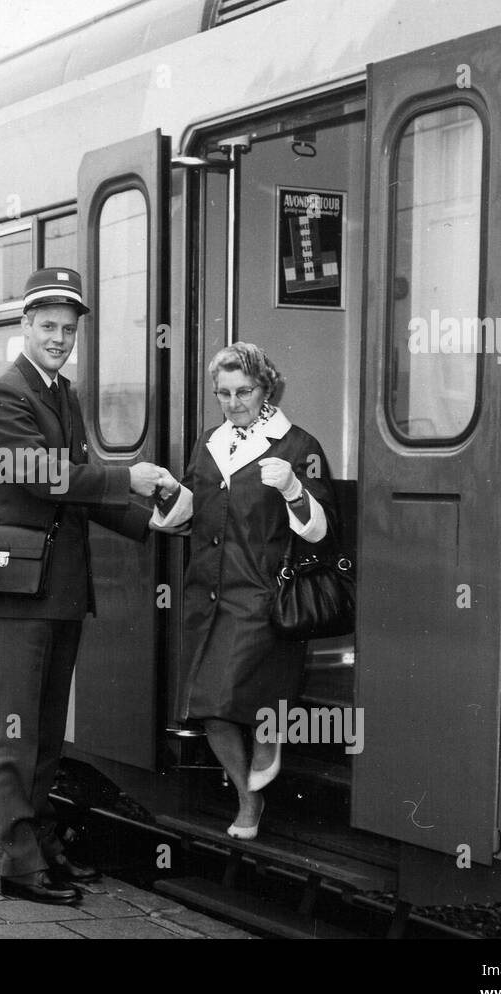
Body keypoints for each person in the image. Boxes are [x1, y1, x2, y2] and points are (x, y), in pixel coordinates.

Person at [0, 266, 165, 905]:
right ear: (25, 326)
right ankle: (18, 866)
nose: (59, 337)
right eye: (48, 326)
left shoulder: (63, 392)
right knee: (15, 730)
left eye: (68, 328)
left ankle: (45, 846)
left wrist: (151, 519)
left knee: (47, 732)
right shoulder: (6, 394)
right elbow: (41, 475)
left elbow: (78, 480)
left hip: (55, 587)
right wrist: (128, 479)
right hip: (19, 587)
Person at [150, 343, 339, 840]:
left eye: (244, 391)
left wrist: (296, 490)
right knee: (208, 705)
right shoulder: (208, 442)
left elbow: (322, 531)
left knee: (236, 688)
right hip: (207, 590)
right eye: (224, 393)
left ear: (266, 388)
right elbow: (193, 512)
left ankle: (270, 739)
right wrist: (171, 494)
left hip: (261, 593)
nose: (234, 402)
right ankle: (247, 797)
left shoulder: (301, 446)